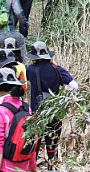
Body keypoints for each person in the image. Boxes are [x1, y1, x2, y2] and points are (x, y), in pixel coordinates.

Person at [25, 41, 78, 170]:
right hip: (55, 109)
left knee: (35, 139)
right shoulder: (57, 69)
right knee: (52, 139)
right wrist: (64, 98)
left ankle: (32, 165)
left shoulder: (30, 70)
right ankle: (51, 164)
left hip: (37, 111)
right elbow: (74, 86)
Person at [0, 68, 37, 172]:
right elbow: (31, 139)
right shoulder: (26, 107)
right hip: (25, 163)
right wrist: (33, 166)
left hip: (6, 165)